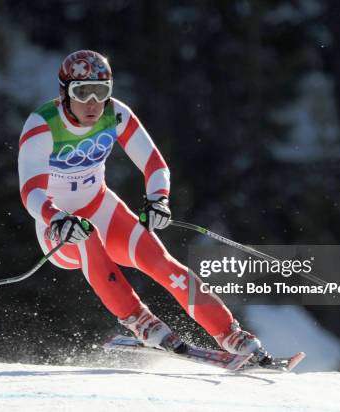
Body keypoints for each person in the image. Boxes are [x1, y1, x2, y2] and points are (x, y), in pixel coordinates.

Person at [18, 50, 269, 363]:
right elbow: (31, 191)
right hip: (57, 229)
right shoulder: (42, 124)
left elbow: (154, 164)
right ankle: (139, 320)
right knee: (87, 233)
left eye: (102, 91)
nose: (94, 102)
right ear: (64, 92)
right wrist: (56, 218)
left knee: (161, 262)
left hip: (101, 206)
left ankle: (228, 332)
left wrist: (158, 199)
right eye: (82, 92)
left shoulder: (116, 114)